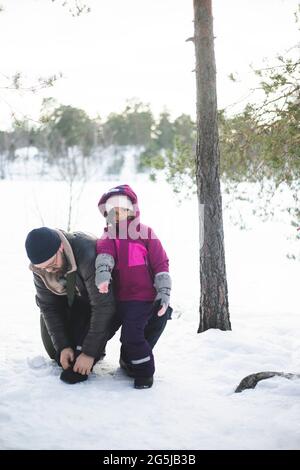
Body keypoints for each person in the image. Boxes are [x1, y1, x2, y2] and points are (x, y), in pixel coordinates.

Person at [95, 184, 172, 389]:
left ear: (132, 210)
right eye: (112, 210)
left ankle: (145, 372)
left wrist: (163, 291)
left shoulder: (146, 233)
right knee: (102, 330)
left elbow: (160, 263)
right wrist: (103, 276)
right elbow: (105, 257)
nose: (117, 213)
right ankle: (91, 356)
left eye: (121, 208)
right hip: (118, 298)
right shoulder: (108, 236)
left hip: (142, 298)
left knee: (131, 336)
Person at [25, 227, 116, 384]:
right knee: (56, 352)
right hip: (70, 302)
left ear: (61, 247)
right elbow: (48, 306)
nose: (48, 270)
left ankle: (95, 347)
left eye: (52, 264)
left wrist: (89, 353)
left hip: (98, 302)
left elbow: (104, 306)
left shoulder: (87, 252)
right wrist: (63, 346)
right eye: (42, 268)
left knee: (82, 355)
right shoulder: (40, 268)